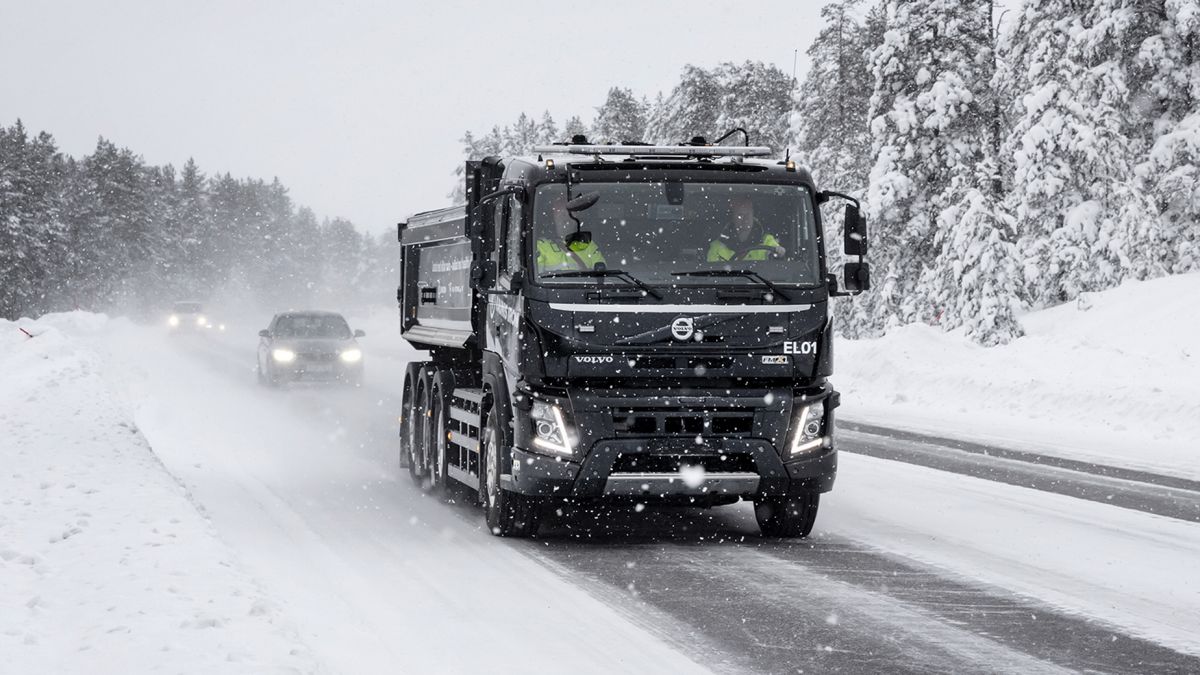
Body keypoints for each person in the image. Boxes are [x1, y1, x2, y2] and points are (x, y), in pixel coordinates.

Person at [535, 190, 606, 272]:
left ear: (576, 220)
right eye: (561, 215)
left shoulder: (587, 243)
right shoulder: (541, 246)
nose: (566, 220)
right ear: (553, 220)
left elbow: (601, 269)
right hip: (552, 285)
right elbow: (537, 274)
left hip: (584, 285)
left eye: (570, 215)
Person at [706, 195, 785, 262]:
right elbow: (711, 275)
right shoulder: (717, 247)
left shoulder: (767, 241)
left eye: (748, 215)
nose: (745, 220)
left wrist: (779, 252)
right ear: (733, 218)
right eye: (740, 215)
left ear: (753, 215)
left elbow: (778, 256)